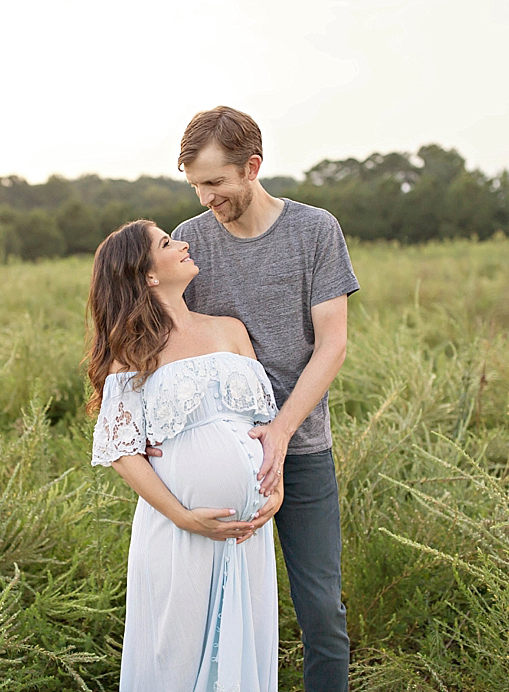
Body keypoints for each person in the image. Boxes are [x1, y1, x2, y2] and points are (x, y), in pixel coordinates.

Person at [160, 106, 360, 691]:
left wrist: (279, 431)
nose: (204, 198)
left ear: (253, 167)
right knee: (216, 609)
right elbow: (164, 334)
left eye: (216, 182)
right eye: (195, 184)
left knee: (321, 608)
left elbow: (332, 345)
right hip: (215, 455)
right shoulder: (190, 240)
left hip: (300, 450)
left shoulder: (315, 230)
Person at [89, 219, 284, 690]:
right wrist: (183, 517)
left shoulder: (230, 329)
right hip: (181, 531)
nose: (183, 244)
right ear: (148, 275)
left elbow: (264, 425)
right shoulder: (132, 353)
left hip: (249, 534)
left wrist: (273, 488)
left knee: (244, 650)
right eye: (166, 243)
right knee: (177, 656)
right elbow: (122, 451)